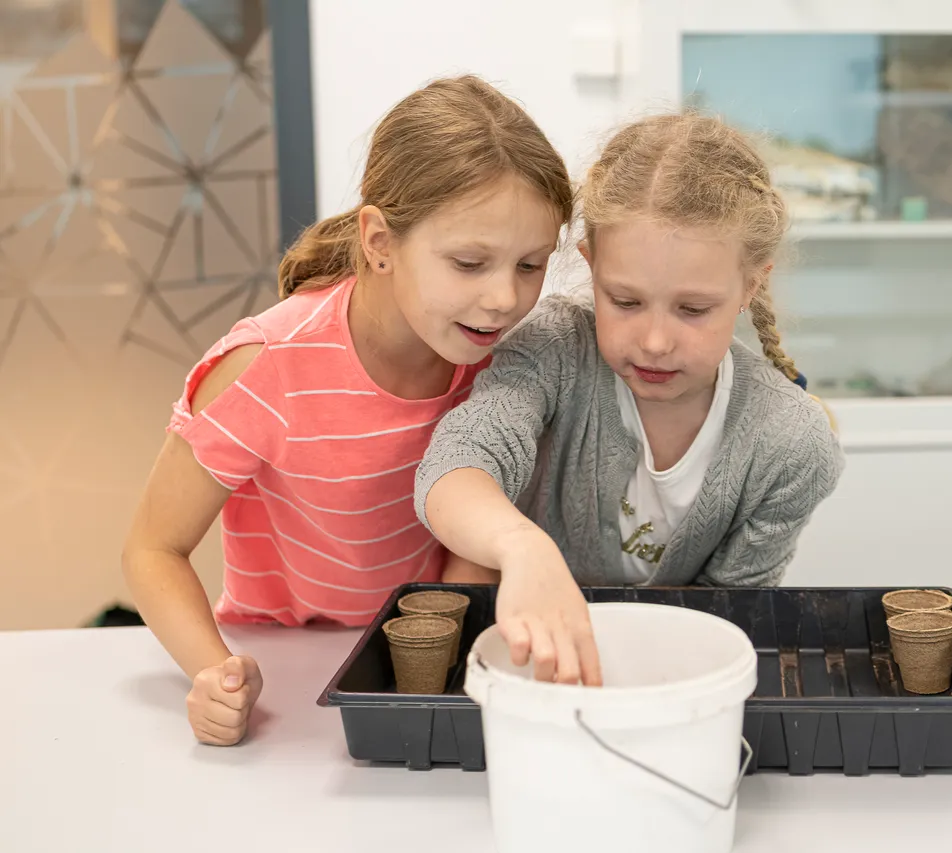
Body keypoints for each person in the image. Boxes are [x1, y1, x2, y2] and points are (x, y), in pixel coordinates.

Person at [121, 75, 573, 746]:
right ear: (380, 241)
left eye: (531, 264)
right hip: (282, 672)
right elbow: (151, 549)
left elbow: (471, 536)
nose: (505, 299)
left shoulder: (501, 361)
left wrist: (437, 653)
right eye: (470, 262)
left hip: (416, 670)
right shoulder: (266, 366)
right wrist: (215, 673)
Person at [415, 113, 844, 687]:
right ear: (591, 268)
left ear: (750, 286)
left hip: (672, 678)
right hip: (527, 671)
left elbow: (733, 618)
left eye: (693, 310)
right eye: (625, 301)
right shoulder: (553, 353)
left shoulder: (791, 443)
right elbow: (454, 467)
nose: (656, 342)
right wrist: (522, 548)